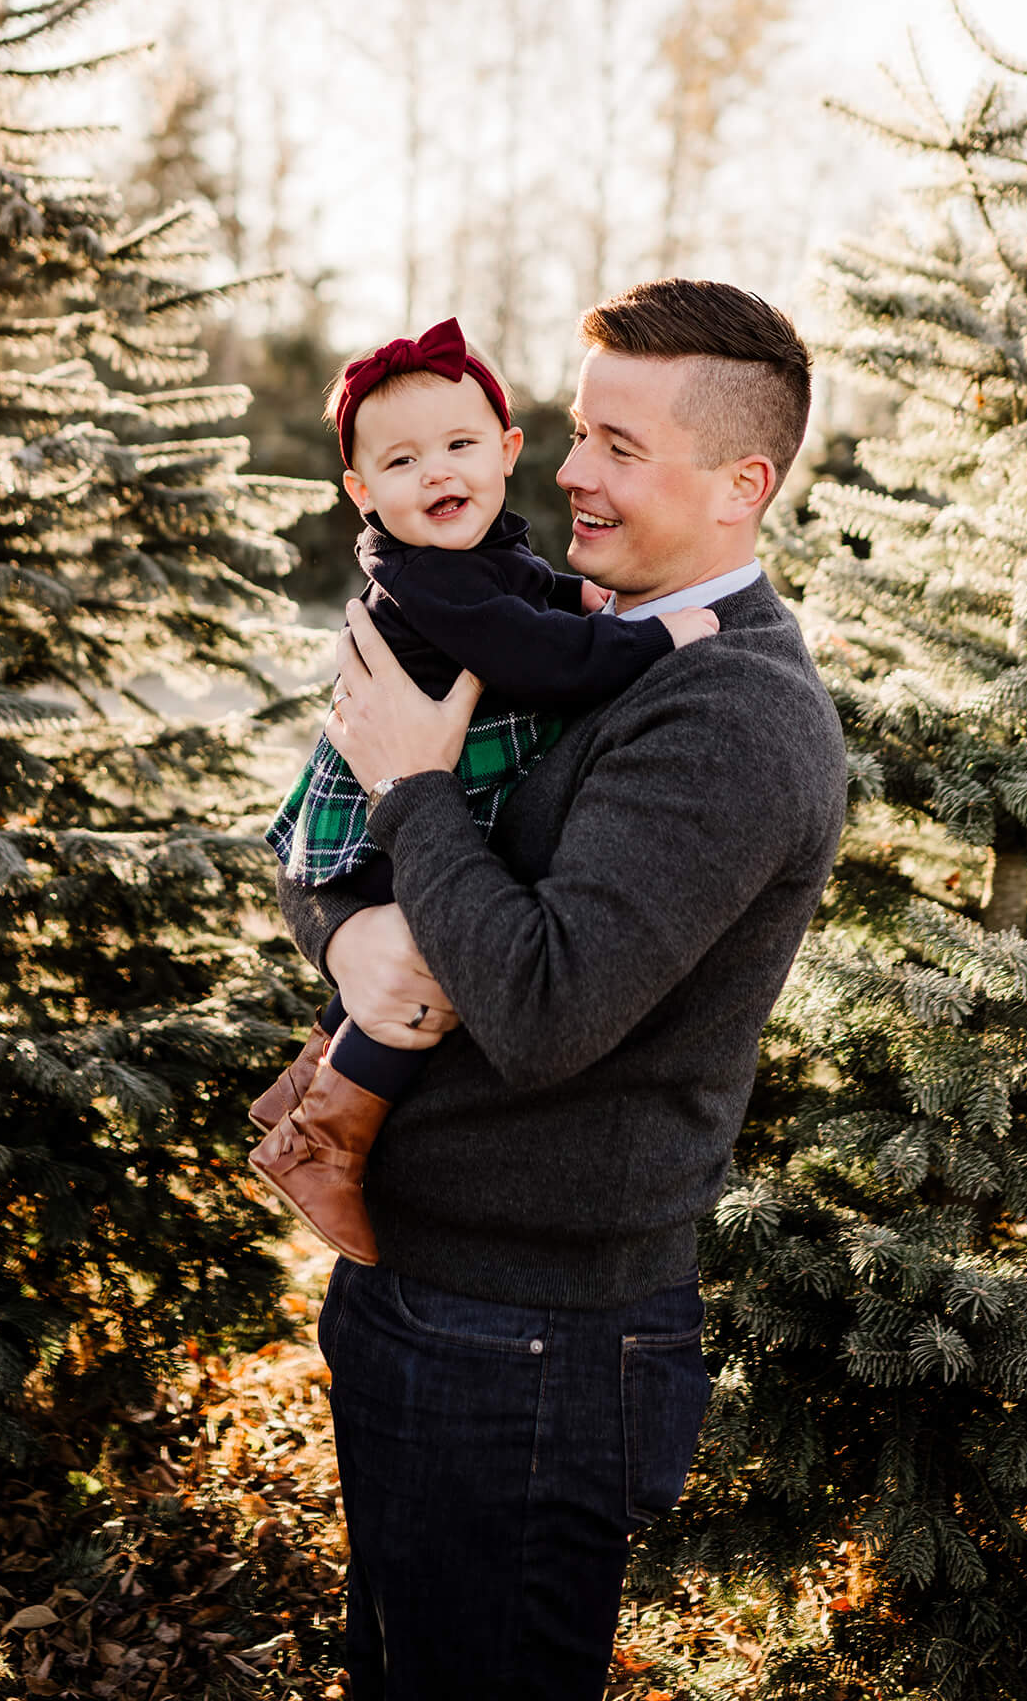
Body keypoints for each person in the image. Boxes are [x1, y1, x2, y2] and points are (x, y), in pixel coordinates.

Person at [275, 278, 847, 1701]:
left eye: (620, 446)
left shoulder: (731, 716)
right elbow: (321, 810)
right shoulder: (550, 615)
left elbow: (537, 1006)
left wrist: (416, 787)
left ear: (740, 485)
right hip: (425, 1286)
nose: (571, 471)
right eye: (579, 430)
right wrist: (348, 934)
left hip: (530, 1337)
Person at [246, 315, 720, 1262]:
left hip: (440, 769)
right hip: (410, 788)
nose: (437, 474)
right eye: (403, 463)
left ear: (507, 454)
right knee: (423, 956)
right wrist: (652, 637)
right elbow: (537, 657)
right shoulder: (422, 577)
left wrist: (568, 595)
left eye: (460, 446)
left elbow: (525, 593)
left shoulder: (477, 556)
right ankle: (323, 1141)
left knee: (407, 946)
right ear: (362, 493)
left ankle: (304, 1085)